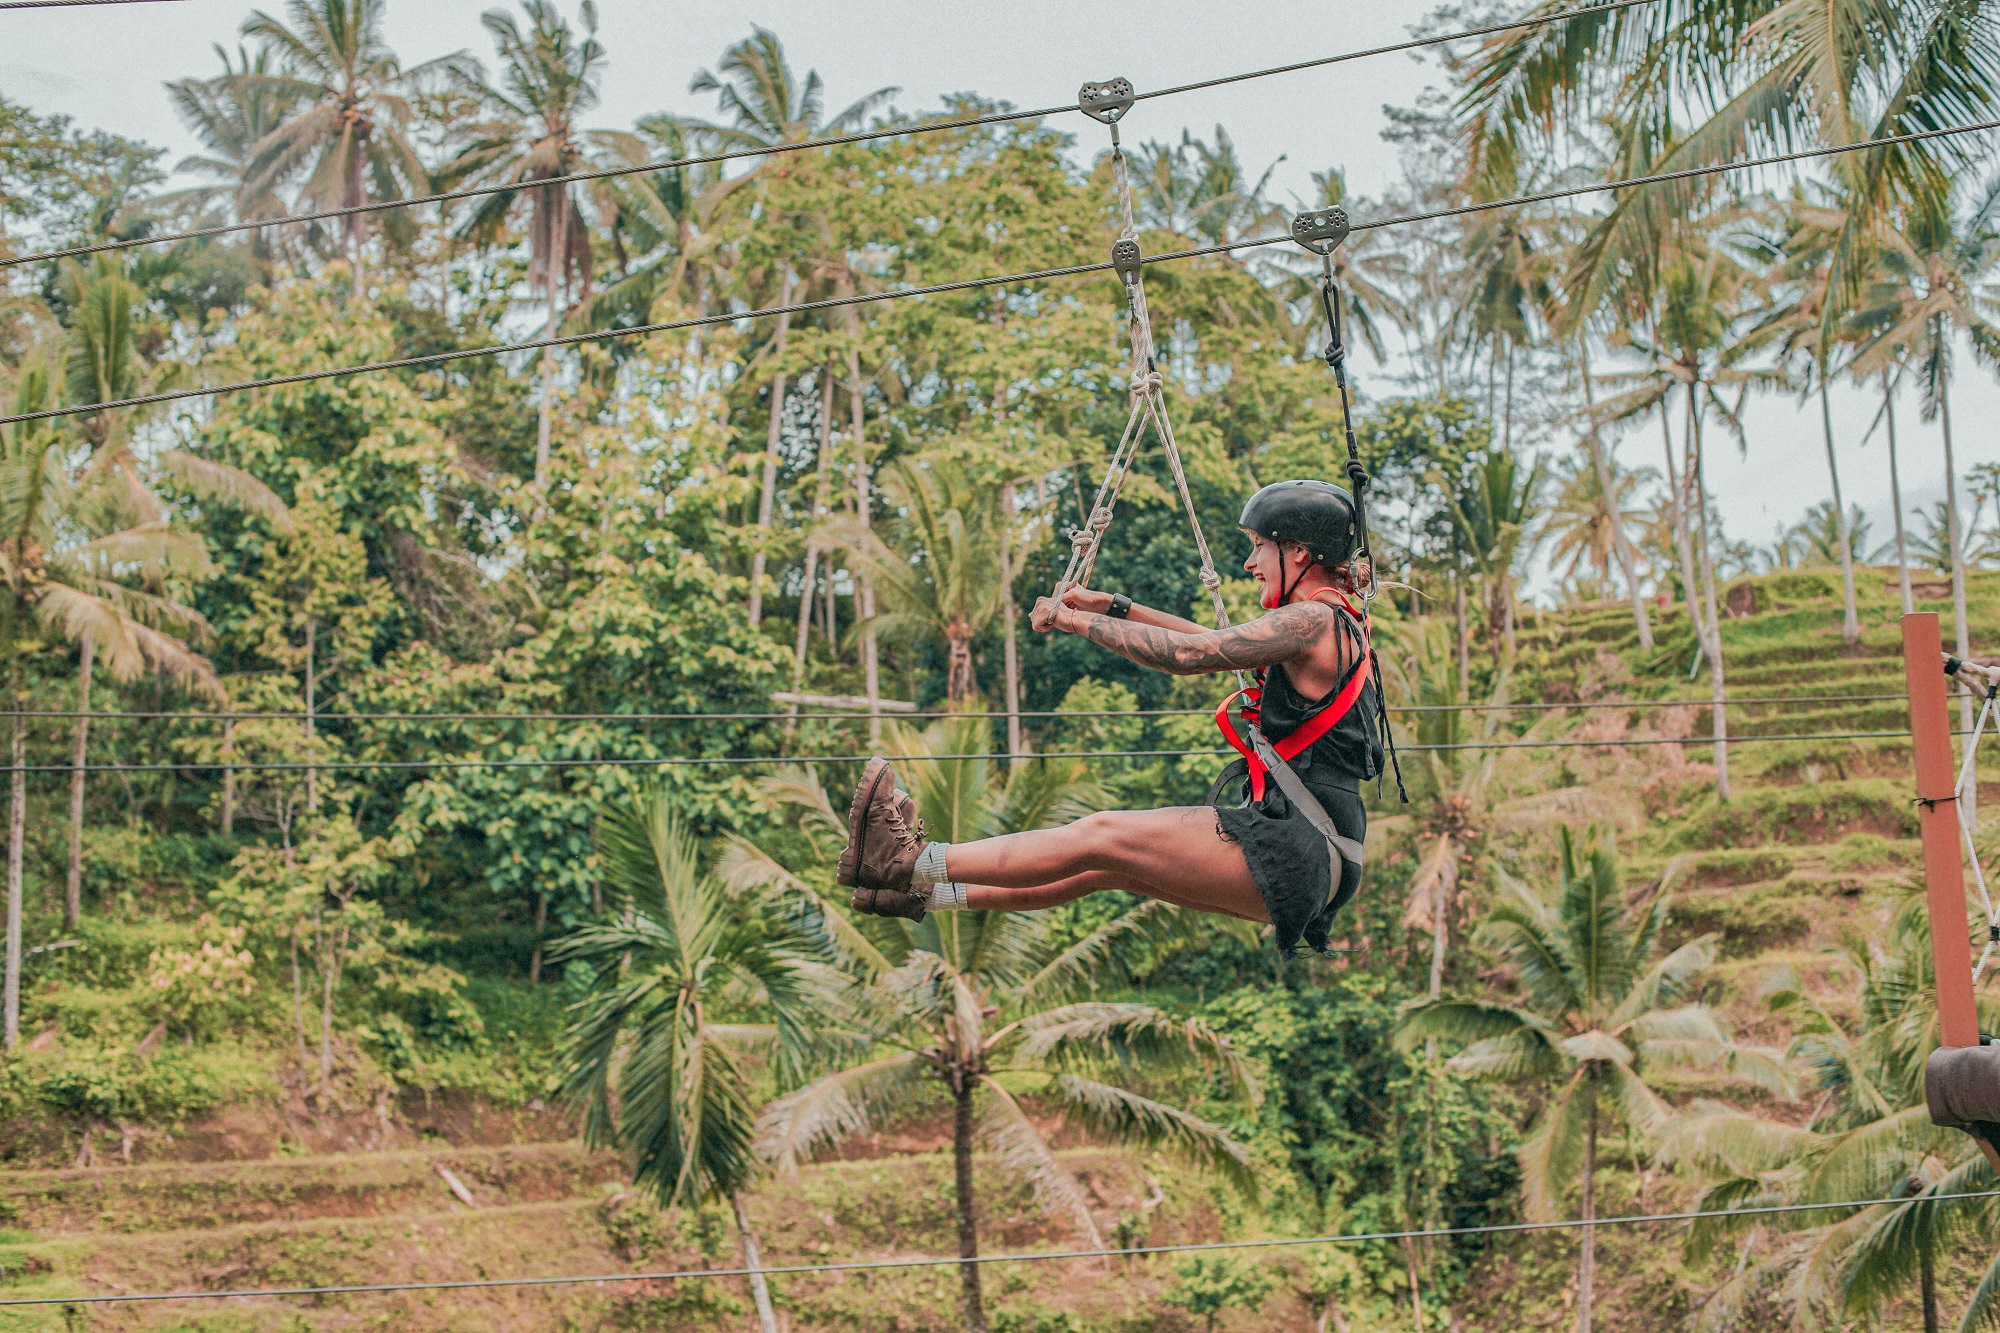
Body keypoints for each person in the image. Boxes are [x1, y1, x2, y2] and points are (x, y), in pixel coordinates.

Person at [836, 479, 1395, 955]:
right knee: (1102, 868)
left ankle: (911, 861)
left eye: (1257, 547)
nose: (1249, 563)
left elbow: (1191, 656)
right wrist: (1115, 607)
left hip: (1301, 843)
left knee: (1100, 831)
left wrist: (1074, 623)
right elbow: (1217, 641)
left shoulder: (1312, 621)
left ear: (1298, 552)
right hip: (1327, 855)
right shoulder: (1336, 624)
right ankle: (924, 893)